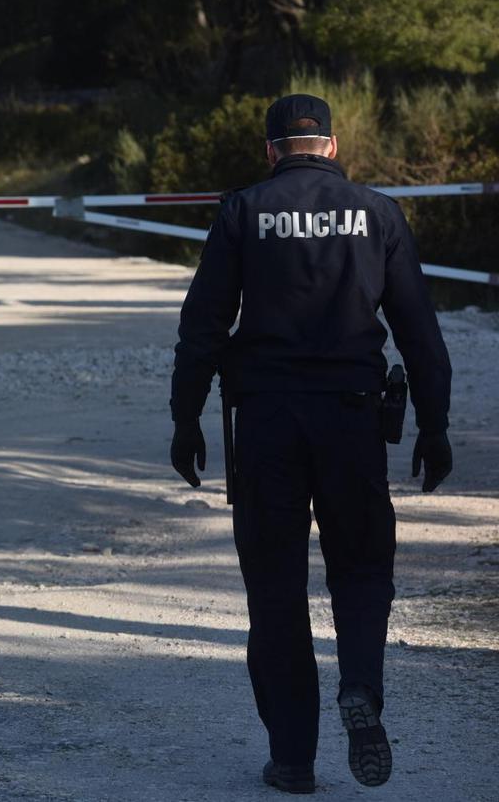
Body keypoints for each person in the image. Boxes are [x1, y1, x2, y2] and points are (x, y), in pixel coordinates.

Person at [168, 94, 452, 794]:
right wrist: (436, 424)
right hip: (353, 419)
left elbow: (203, 322)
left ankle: (293, 757)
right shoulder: (378, 212)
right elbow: (419, 328)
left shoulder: (241, 211)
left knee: (275, 588)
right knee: (360, 569)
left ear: (271, 150)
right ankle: (359, 684)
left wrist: (185, 417)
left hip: (265, 422)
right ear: (331, 144)